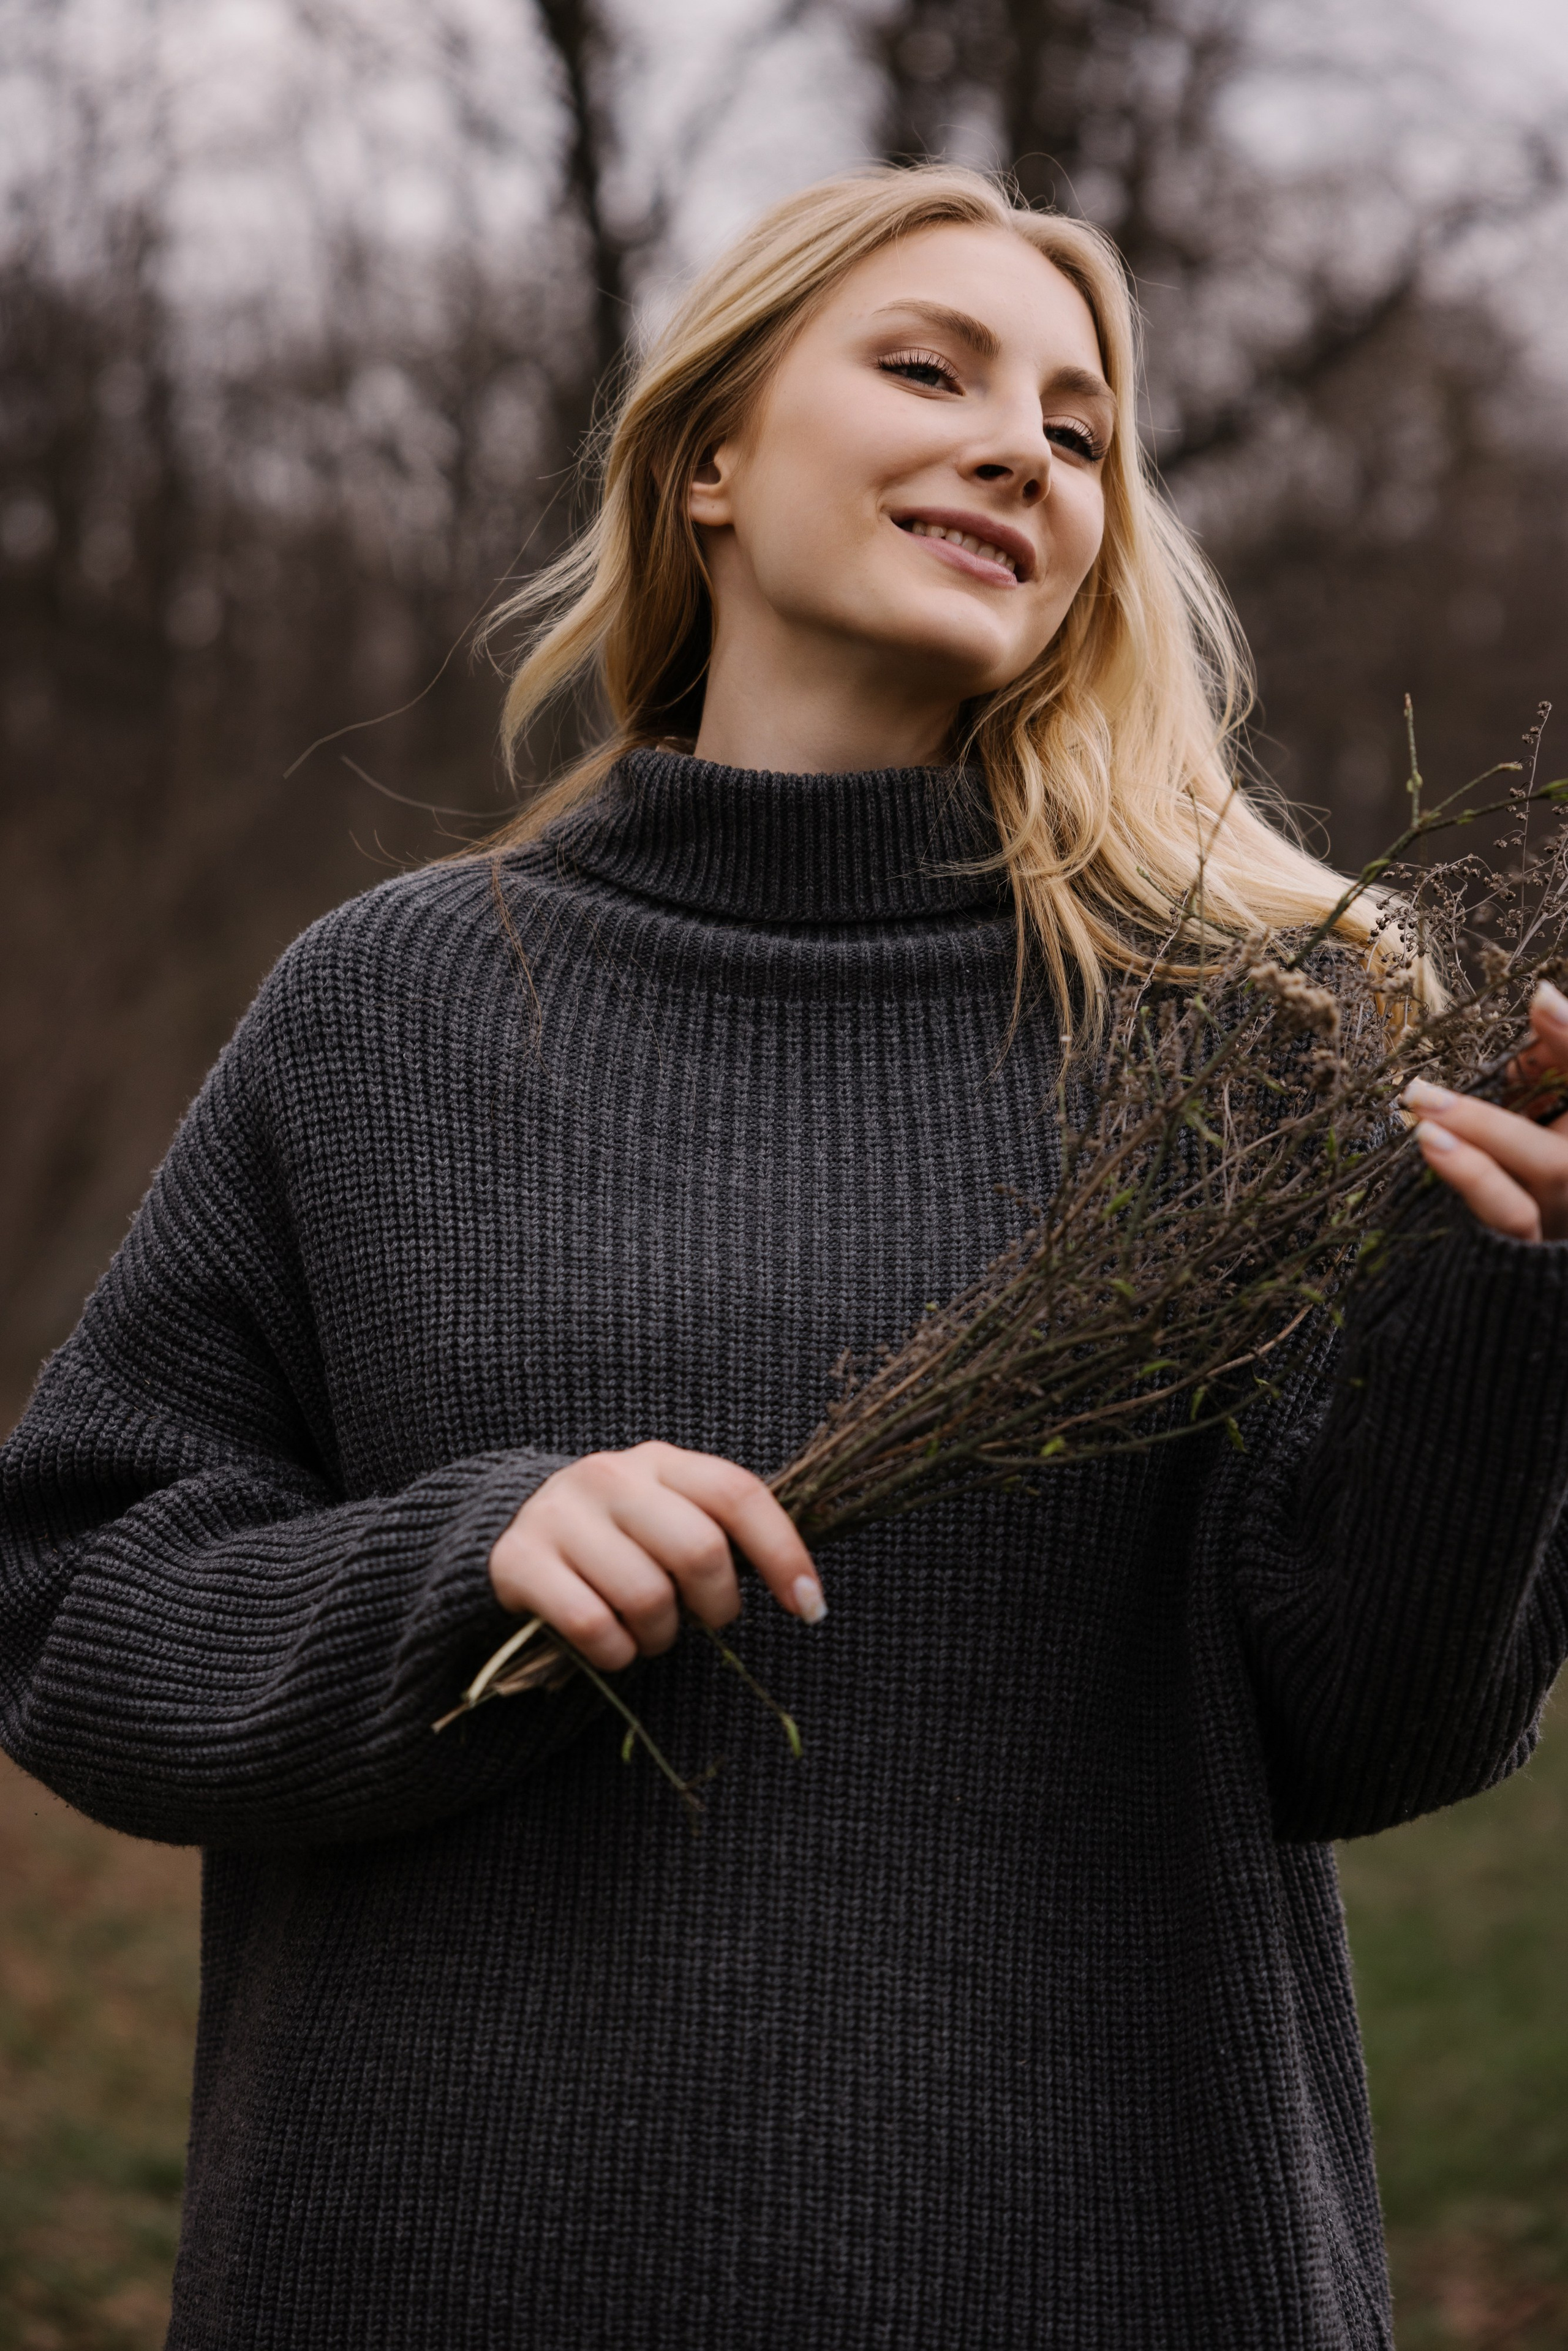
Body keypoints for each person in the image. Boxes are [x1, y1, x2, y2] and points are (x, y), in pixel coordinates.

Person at [2, 164, 1566, 2351]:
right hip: (455, 2266)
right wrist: (468, 1560)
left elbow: (1371, 1734)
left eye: (1082, 428)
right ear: (709, 460)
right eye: (927, 369)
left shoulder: (1250, 1047)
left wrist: (1508, 1299)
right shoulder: (392, 1009)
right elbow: (76, 1609)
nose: (1024, 445)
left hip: (1106, 2263)